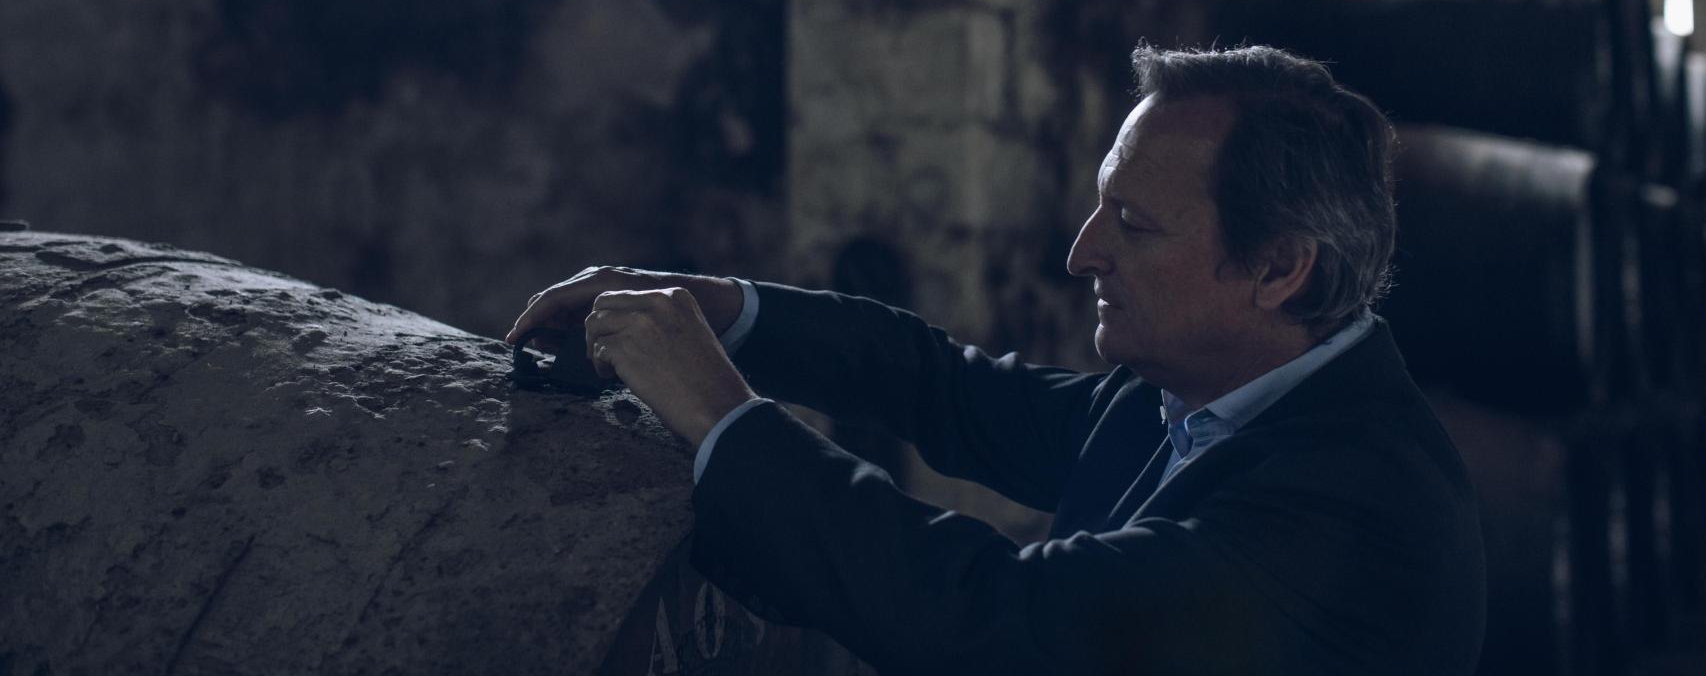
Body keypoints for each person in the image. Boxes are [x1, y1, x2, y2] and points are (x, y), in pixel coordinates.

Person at [506, 45, 1487, 675]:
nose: (1080, 251)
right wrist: (725, 312)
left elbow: (997, 625)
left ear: (1276, 268)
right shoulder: (1201, 399)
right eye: (1102, 201)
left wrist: (723, 420)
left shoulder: (1355, 507)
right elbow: (944, 387)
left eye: (1133, 225)